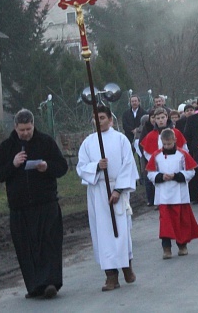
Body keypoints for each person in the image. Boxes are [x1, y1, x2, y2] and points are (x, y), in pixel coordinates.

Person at [0, 109, 68, 299]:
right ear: (15, 128)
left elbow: (62, 167)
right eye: (22, 130)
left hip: (46, 203)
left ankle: (50, 283)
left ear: (33, 124)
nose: (25, 133)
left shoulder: (46, 142)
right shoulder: (7, 147)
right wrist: (13, 164)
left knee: (49, 244)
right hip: (20, 208)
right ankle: (35, 286)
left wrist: (46, 166)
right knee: (27, 249)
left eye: (28, 129)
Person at [77, 106, 139, 292]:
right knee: (103, 233)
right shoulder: (88, 142)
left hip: (116, 190)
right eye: (95, 118)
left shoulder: (120, 139)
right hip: (98, 192)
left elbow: (128, 164)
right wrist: (96, 166)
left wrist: (119, 190)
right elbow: (81, 167)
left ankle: (126, 266)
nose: (99, 121)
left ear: (110, 119)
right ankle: (110, 275)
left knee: (120, 231)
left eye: (102, 117)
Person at [146, 129, 198, 259]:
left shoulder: (182, 154)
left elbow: (191, 171)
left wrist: (177, 176)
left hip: (179, 194)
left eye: (169, 144)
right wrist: (160, 176)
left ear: (174, 141)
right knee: (165, 224)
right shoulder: (156, 156)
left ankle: (182, 245)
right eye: (164, 144)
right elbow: (150, 173)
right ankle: (166, 248)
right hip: (164, 196)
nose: (167, 147)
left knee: (181, 222)